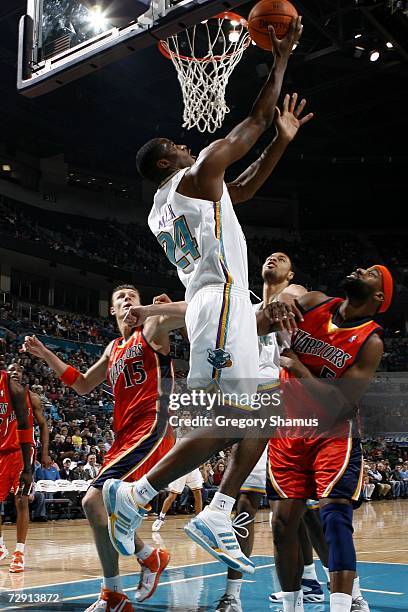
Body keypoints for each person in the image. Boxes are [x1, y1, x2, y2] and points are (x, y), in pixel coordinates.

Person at [102, 19, 314, 576]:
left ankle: (219, 509)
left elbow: (240, 189)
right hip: (218, 303)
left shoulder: (174, 202)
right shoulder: (193, 179)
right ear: (166, 164)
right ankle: (137, 493)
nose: (185, 143)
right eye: (176, 146)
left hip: (225, 307)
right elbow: (256, 118)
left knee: (262, 411)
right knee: (220, 421)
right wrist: (282, 59)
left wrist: (281, 144)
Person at [21, 284, 185, 611]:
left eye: (132, 298)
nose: (127, 301)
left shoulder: (151, 328)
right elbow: (82, 385)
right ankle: (131, 576)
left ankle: (126, 580)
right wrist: (46, 354)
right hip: (124, 435)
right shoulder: (113, 348)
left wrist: (154, 310)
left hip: (153, 425)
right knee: (98, 509)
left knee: (92, 499)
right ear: (112, 310)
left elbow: (197, 309)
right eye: (120, 299)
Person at [268, 265, 392, 612]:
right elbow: (282, 304)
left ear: (379, 296)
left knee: (334, 516)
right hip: (288, 428)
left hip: (332, 433)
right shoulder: (315, 302)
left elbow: (340, 402)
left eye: (369, 273)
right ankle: (292, 607)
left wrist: (301, 371)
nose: (358, 270)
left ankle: (345, 603)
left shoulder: (371, 341)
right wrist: (276, 303)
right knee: (281, 524)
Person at [216, 252, 307, 612]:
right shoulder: (246, 305)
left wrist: (289, 294)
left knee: (300, 512)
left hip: (289, 409)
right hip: (250, 408)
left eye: (283, 258)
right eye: (270, 257)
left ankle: (336, 588)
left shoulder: (299, 299)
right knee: (243, 505)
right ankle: (233, 594)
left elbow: (299, 292)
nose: (274, 258)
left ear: (292, 272)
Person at [0, 363, 48, 573]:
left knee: (21, 501)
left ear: (23, 374)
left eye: (18, 369)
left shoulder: (30, 397)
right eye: (11, 370)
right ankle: (1, 545)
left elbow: (43, 425)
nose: (14, 372)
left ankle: (19, 553)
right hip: (1, 453)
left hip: (21, 452)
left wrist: (44, 454)